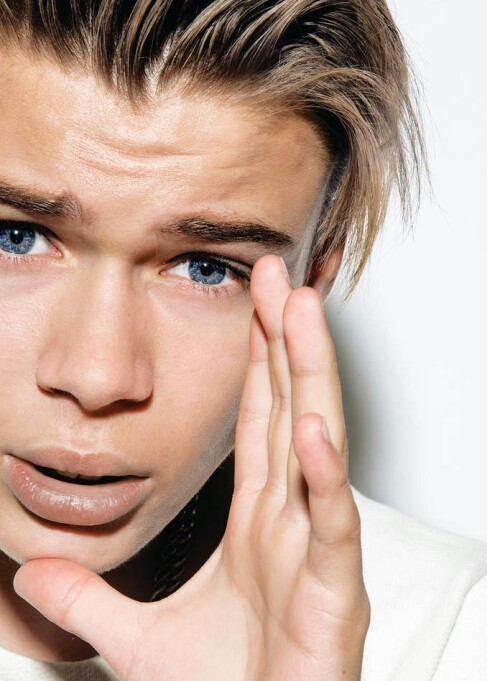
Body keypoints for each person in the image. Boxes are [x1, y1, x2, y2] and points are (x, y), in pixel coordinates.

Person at [0, 1, 486, 680]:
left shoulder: (451, 633)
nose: (97, 377)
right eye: (16, 237)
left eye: (206, 269)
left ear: (309, 286)